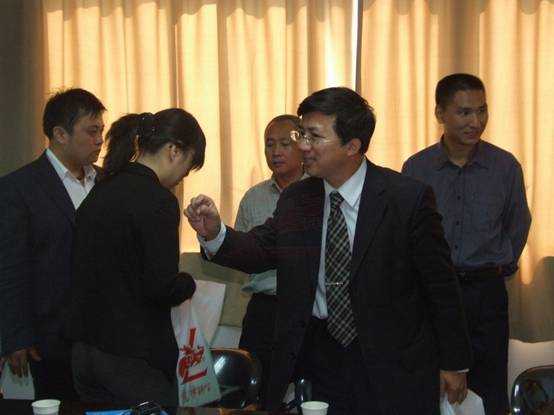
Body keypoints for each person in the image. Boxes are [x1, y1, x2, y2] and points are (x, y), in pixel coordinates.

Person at [185, 87, 472, 414]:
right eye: (302, 134)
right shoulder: (298, 199)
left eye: (314, 136)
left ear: (352, 146)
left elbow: (440, 285)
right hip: (320, 356)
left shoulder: (406, 198)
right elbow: (261, 248)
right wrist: (215, 234)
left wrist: (454, 362)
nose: (303, 146)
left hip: (390, 358)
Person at [402, 73, 532, 415]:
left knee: (489, 389)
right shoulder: (417, 169)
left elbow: (518, 224)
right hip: (432, 293)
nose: (476, 121)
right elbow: (405, 234)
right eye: (464, 112)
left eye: (482, 110)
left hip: (485, 292)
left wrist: (500, 263)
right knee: (429, 387)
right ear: (440, 113)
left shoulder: (504, 166)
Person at [69, 109, 205, 406]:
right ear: (174, 151)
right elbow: (160, 286)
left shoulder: (101, 189)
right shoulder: (158, 200)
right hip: (132, 357)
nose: (181, 178)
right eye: (187, 168)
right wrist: (188, 283)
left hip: (85, 351)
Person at [0, 88, 106, 400]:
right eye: (91, 131)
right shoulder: (18, 188)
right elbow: (10, 267)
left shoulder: (108, 182)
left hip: (106, 336)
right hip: (49, 337)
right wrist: (15, 336)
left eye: (101, 131)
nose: (100, 140)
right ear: (60, 134)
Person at [234, 114, 305, 405]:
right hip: (264, 310)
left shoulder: (320, 191)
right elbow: (241, 253)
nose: (276, 152)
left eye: (285, 144)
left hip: (307, 308)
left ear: (303, 146)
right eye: (269, 144)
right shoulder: (253, 197)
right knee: (256, 392)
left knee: (310, 393)